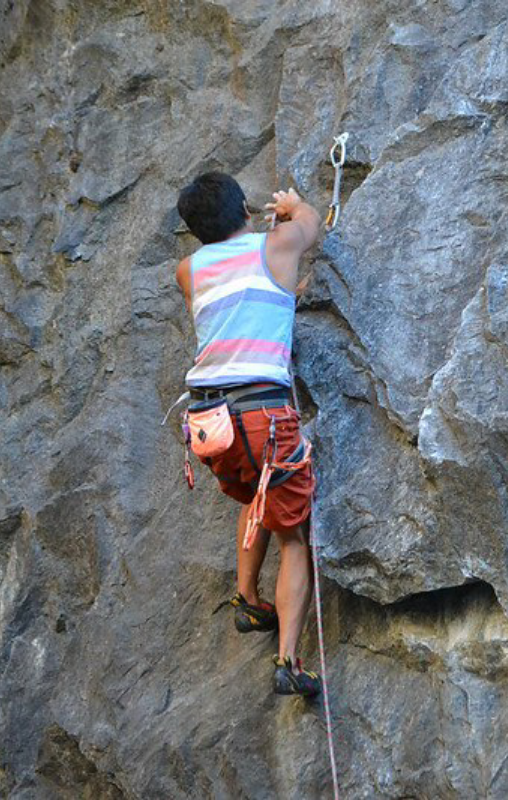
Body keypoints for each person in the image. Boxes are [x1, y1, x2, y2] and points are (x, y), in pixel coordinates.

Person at [174, 171, 322, 696]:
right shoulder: (276, 246)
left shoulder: (188, 270)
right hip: (263, 416)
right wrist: (291, 204)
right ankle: (288, 661)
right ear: (243, 207)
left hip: (208, 423)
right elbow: (311, 226)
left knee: (254, 495)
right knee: (294, 536)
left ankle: (246, 598)